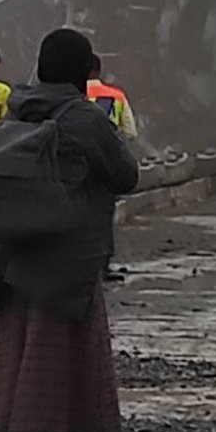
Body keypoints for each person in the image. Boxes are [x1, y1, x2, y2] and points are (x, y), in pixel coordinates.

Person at [0, 26, 139, 432]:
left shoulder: (16, 110)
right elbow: (126, 175)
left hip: (13, 248)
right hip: (71, 248)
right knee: (77, 346)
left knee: (21, 345)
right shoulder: (83, 118)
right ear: (81, 70)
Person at [87, 56, 139, 279]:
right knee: (103, 213)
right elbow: (131, 133)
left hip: (73, 164)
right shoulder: (115, 96)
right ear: (99, 70)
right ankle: (103, 264)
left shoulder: (69, 96)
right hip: (105, 162)